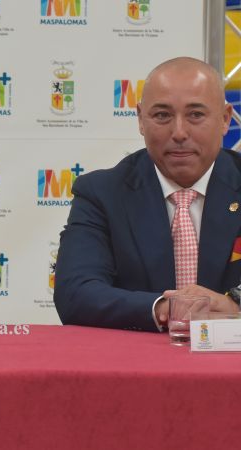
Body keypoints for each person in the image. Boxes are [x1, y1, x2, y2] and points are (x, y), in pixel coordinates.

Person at [54, 57, 241, 331]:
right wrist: (166, 309)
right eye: (162, 115)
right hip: (138, 354)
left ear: (224, 119)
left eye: (195, 115)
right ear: (141, 119)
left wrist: (235, 304)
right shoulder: (102, 193)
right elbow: (75, 293)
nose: (179, 132)